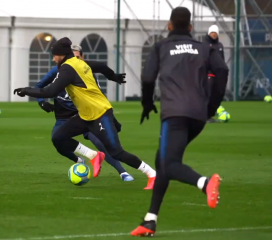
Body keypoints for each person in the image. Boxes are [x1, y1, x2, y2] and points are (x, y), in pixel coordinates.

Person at [131, 6, 228, 236]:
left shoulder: (161, 47)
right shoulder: (204, 48)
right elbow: (222, 70)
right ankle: (150, 219)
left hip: (175, 114)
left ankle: (205, 184)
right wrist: (211, 107)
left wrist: (146, 104)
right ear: (191, 28)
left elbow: (147, 78)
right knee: (162, 159)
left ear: (169, 25)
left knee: (170, 164)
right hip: (198, 116)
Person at [14, 37, 156, 189]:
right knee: (58, 138)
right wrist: (112, 76)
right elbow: (101, 66)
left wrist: (27, 90)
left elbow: (50, 90)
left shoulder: (68, 68)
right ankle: (94, 156)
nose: (53, 59)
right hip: (85, 115)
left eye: (54, 55)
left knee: (116, 152)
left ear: (61, 54)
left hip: (100, 113)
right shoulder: (79, 62)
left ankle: (152, 174)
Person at [34, 44, 134, 181]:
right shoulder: (57, 71)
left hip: (86, 116)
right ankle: (79, 161)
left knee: (101, 142)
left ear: (83, 58)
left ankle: (123, 172)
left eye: (77, 57)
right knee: (58, 142)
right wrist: (42, 102)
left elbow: (100, 101)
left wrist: (113, 120)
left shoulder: (88, 73)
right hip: (63, 118)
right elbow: (39, 86)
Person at [204, 24, 225, 123]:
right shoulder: (205, 45)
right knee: (208, 95)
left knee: (216, 95)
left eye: (215, 33)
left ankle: (210, 115)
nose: (213, 34)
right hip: (208, 74)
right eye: (212, 32)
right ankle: (205, 116)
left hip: (218, 75)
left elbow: (222, 60)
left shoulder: (220, 45)